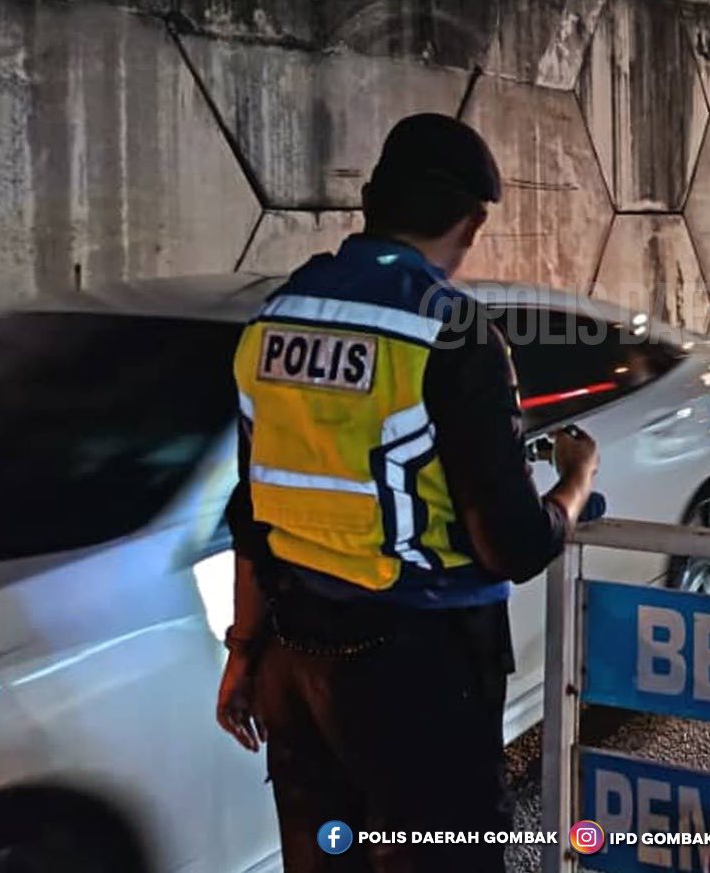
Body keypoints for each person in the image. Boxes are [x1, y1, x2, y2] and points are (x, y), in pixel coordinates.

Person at [214, 114, 600, 873]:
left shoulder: (279, 314)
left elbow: (253, 510)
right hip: (420, 677)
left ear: (371, 201)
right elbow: (512, 544)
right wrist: (577, 481)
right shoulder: (451, 330)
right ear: (474, 220)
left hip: (294, 662)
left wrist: (243, 651)